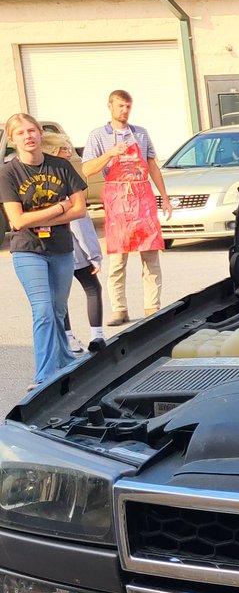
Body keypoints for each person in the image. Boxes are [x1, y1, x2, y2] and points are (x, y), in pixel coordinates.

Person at [0, 114, 87, 389]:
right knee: (43, 311)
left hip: (61, 247)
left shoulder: (61, 166)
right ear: (12, 140)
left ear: (40, 133)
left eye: (31, 130)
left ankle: (63, 363)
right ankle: (44, 377)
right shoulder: (7, 173)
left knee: (58, 310)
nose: (28, 136)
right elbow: (18, 221)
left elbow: (81, 209)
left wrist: (39, 217)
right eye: (21, 133)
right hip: (28, 249)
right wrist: (59, 208)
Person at [81, 90, 171, 325]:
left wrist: (165, 197)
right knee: (118, 259)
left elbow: (152, 165)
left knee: (150, 256)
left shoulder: (140, 133)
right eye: (120, 106)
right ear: (110, 106)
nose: (124, 110)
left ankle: (153, 307)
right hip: (117, 198)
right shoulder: (98, 136)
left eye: (128, 106)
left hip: (142, 196)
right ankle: (119, 309)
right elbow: (87, 169)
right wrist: (111, 153)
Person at [42, 131, 106, 353]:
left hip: (48, 246)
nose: (70, 152)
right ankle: (97, 335)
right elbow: (81, 225)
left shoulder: (40, 178)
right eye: (64, 148)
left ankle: (68, 337)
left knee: (60, 294)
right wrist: (94, 255)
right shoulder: (66, 176)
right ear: (53, 152)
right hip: (74, 249)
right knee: (92, 287)